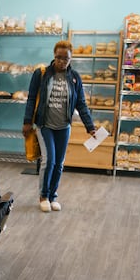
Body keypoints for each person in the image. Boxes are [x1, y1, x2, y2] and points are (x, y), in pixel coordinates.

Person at [22, 40, 96, 213]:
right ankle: (44, 196)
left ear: (71, 58)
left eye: (66, 58)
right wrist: (27, 122)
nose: (62, 61)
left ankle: (53, 195)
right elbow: (32, 98)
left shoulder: (75, 78)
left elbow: (81, 104)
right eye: (59, 58)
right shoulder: (41, 74)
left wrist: (90, 127)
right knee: (49, 161)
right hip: (45, 125)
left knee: (59, 163)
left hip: (64, 127)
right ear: (54, 56)